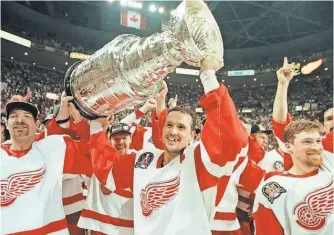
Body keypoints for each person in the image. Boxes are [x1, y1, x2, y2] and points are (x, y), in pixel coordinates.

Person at [90, 56, 248, 235]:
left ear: (192, 135)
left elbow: (230, 139)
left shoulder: (200, 162)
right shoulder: (144, 159)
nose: (173, 132)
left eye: (181, 127)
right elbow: (107, 170)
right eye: (169, 125)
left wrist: (208, 77)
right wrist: (95, 125)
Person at [1, 95, 92, 234]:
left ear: (37, 124)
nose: (19, 120)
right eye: (13, 116)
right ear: (6, 123)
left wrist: (78, 119)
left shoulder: (52, 149)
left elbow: (92, 155)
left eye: (26, 116)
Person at [253, 120, 333, 235]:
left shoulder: (329, 167)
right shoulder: (273, 188)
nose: (316, 147)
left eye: (319, 141)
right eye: (307, 142)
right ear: (289, 147)